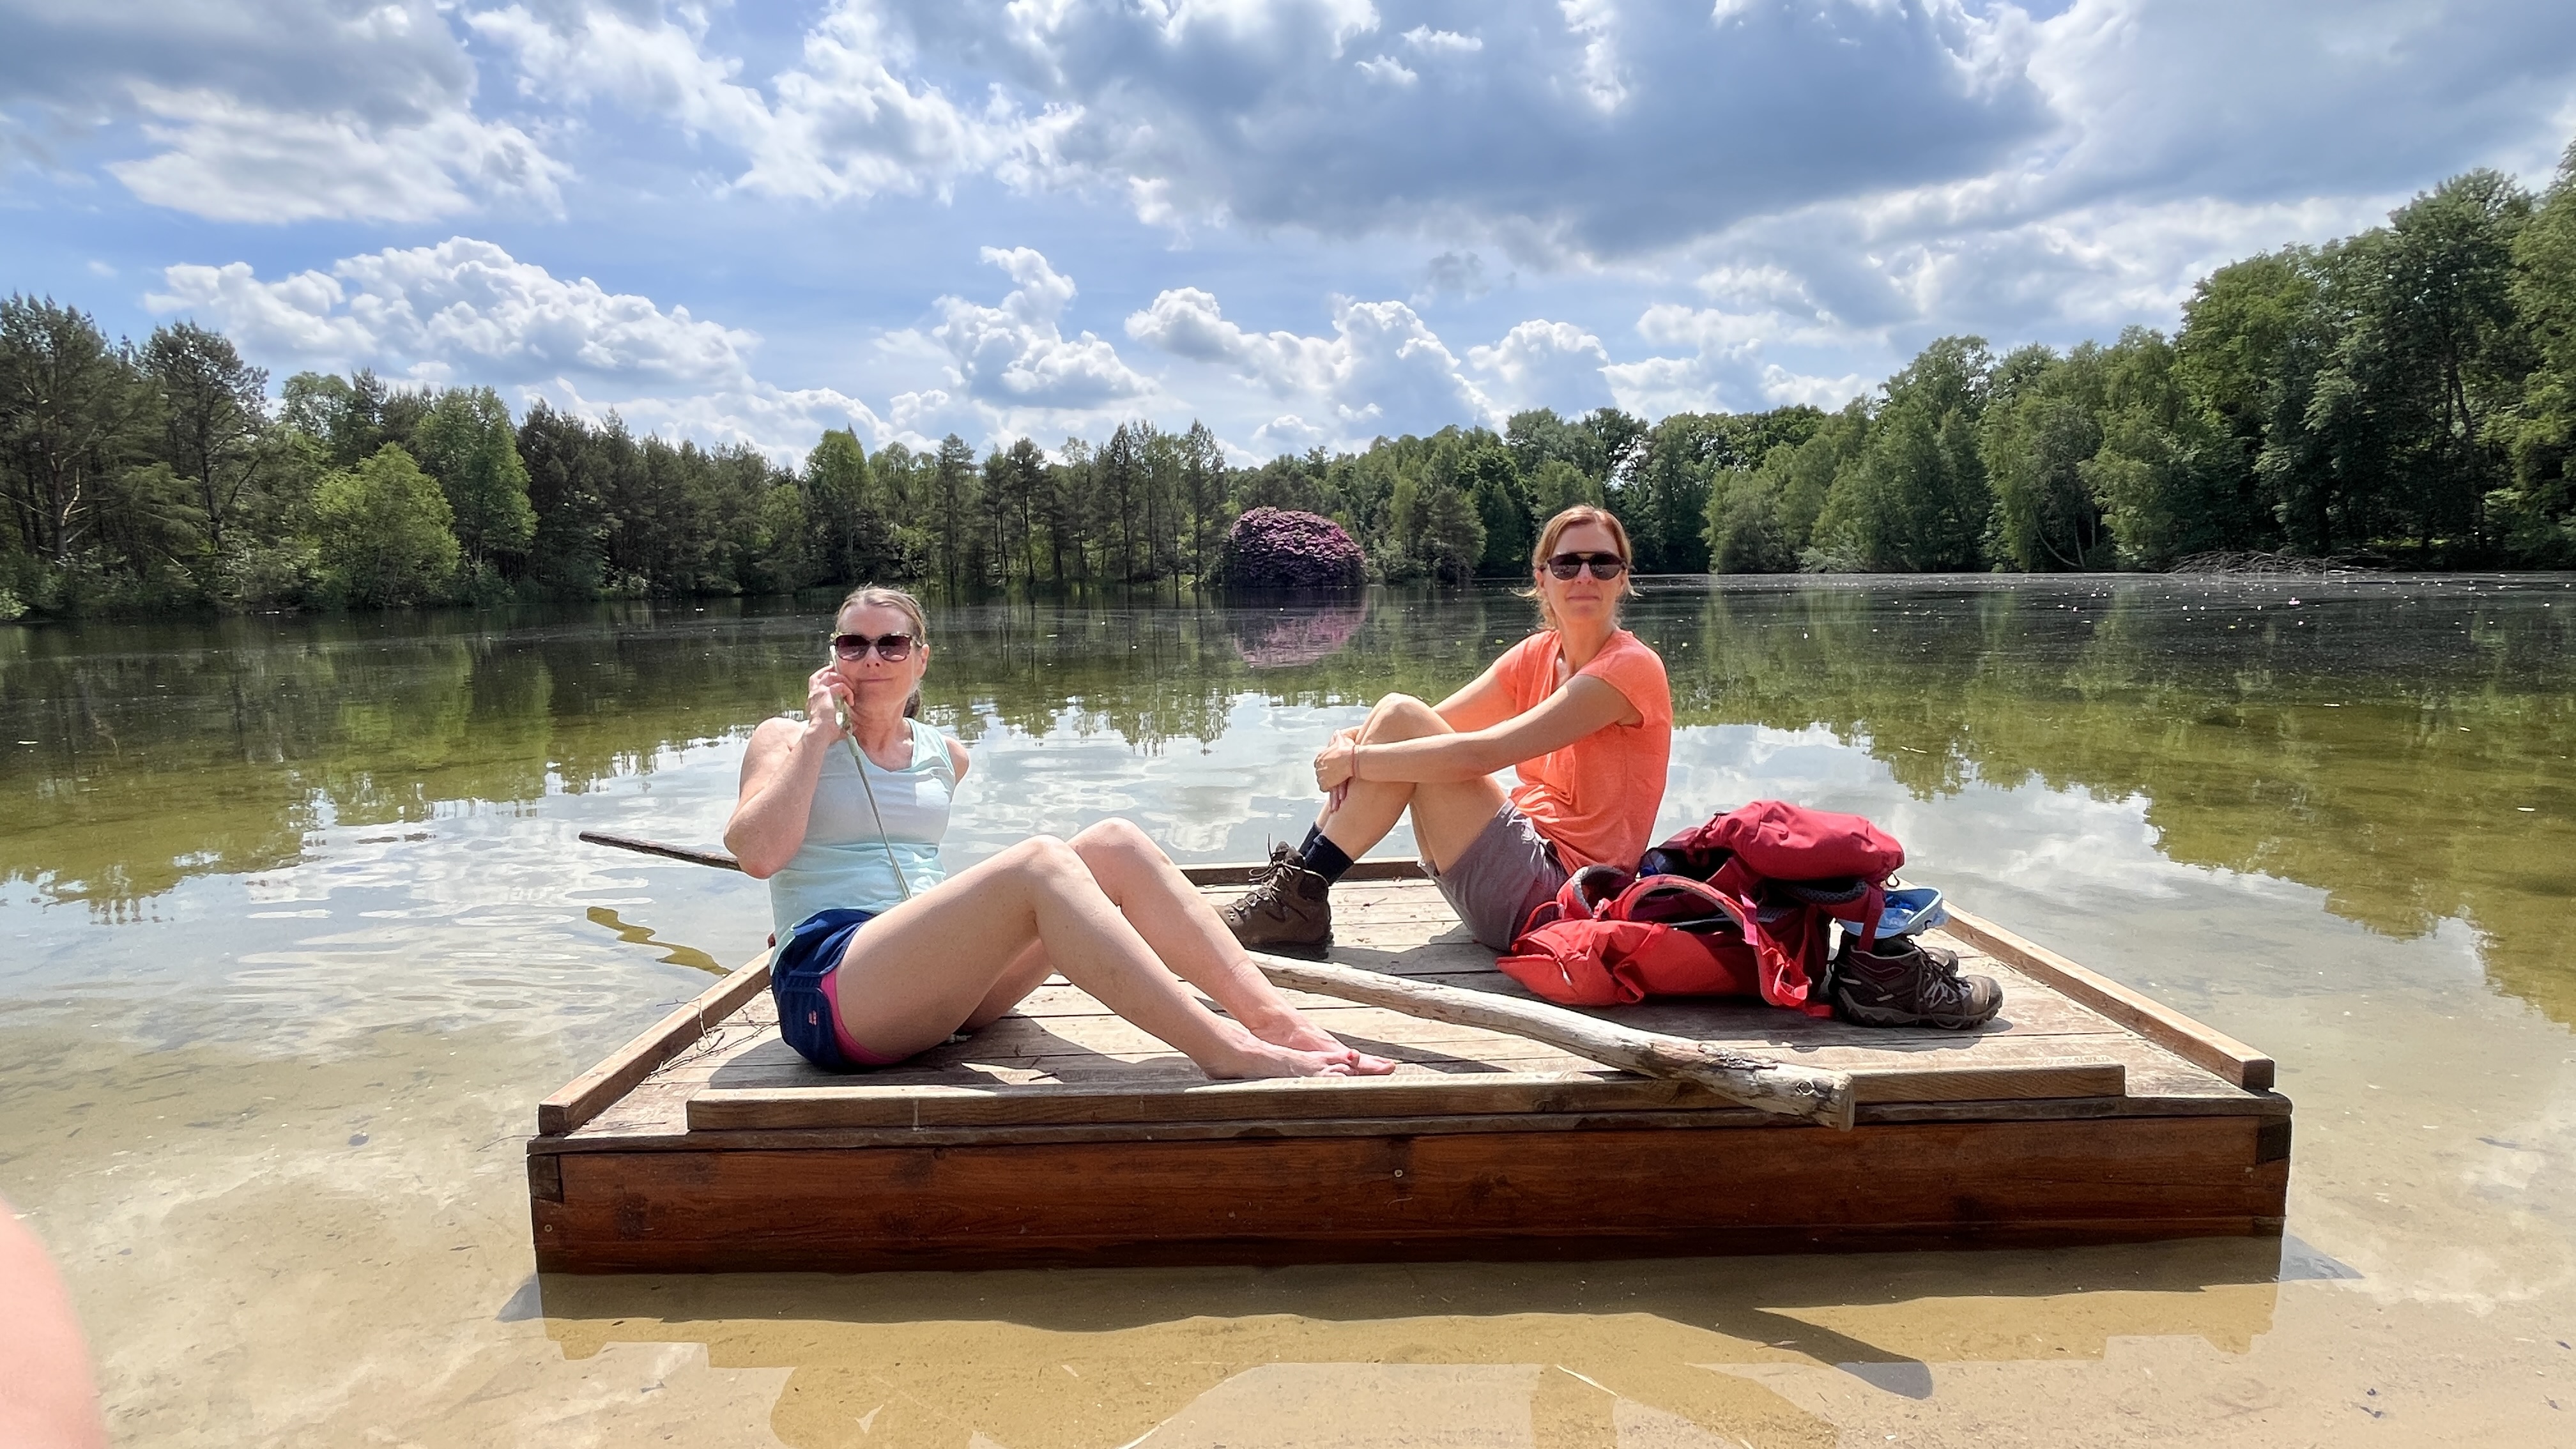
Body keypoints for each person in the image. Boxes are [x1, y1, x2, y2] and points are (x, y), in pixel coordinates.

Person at [725, 586, 1393, 1080]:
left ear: (919, 659)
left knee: (1114, 843)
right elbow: (758, 856)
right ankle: (1224, 1049)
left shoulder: (944, 755)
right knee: (1041, 862)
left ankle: (1277, 1022)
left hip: (937, 989)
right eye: (853, 644)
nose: (871, 658)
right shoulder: (785, 739)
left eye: (890, 643)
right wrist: (818, 734)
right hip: (833, 989)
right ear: (833, 658)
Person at [1223, 506, 1673, 956]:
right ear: (1542, 578)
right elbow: (1428, 724)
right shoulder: (1538, 654)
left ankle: (1295, 901)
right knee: (1396, 714)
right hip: (1512, 873)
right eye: (1567, 564)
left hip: (1561, 900)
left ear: (1622, 578)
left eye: (1603, 564)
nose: (1585, 576)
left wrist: (1356, 760)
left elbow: (1481, 755)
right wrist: (1351, 739)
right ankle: (1295, 892)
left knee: (1401, 718)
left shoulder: (1629, 668)